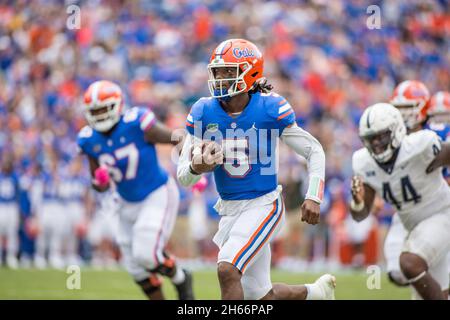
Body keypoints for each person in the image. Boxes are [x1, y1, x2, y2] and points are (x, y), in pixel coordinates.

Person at [177, 39, 336, 300]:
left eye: (229, 71)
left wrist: (313, 195)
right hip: (229, 209)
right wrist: (196, 165)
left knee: (227, 269)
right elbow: (183, 175)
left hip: (263, 204)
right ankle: (316, 293)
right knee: (260, 296)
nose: (221, 78)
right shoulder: (203, 110)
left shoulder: (269, 107)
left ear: (250, 72)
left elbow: (313, 150)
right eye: (218, 72)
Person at [77, 80, 193, 300]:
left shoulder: (136, 122)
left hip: (155, 193)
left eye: (104, 109)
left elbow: (175, 137)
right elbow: (98, 184)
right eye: (95, 111)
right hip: (124, 202)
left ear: (117, 106)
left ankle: (180, 277)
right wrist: (99, 182)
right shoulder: (88, 139)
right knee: (136, 268)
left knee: (146, 254)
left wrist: (190, 161)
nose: (100, 115)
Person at [350, 102, 450, 300]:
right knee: (431, 289)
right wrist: (357, 202)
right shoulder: (364, 162)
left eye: (381, 136)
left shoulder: (419, 145)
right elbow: (360, 215)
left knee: (409, 263)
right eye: (371, 139)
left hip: (441, 213)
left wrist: (438, 164)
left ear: (396, 130)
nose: (376, 143)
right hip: (411, 225)